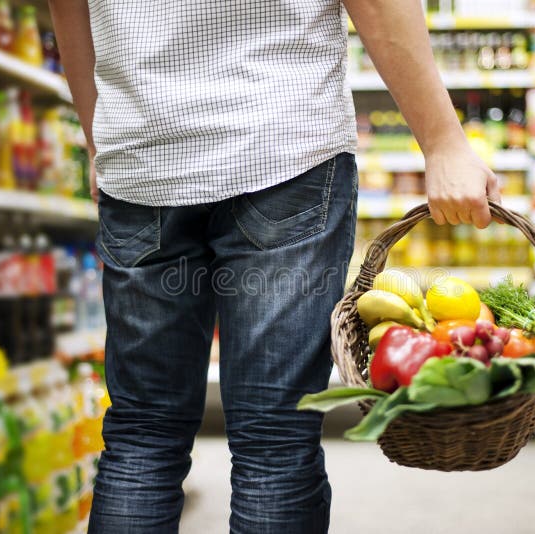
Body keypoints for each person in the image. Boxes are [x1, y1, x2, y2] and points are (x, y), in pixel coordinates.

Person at [48, 1, 502, 532]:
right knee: (274, 439)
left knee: (142, 435)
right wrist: (443, 140)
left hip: (142, 159)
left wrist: (99, 140)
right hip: (280, 145)